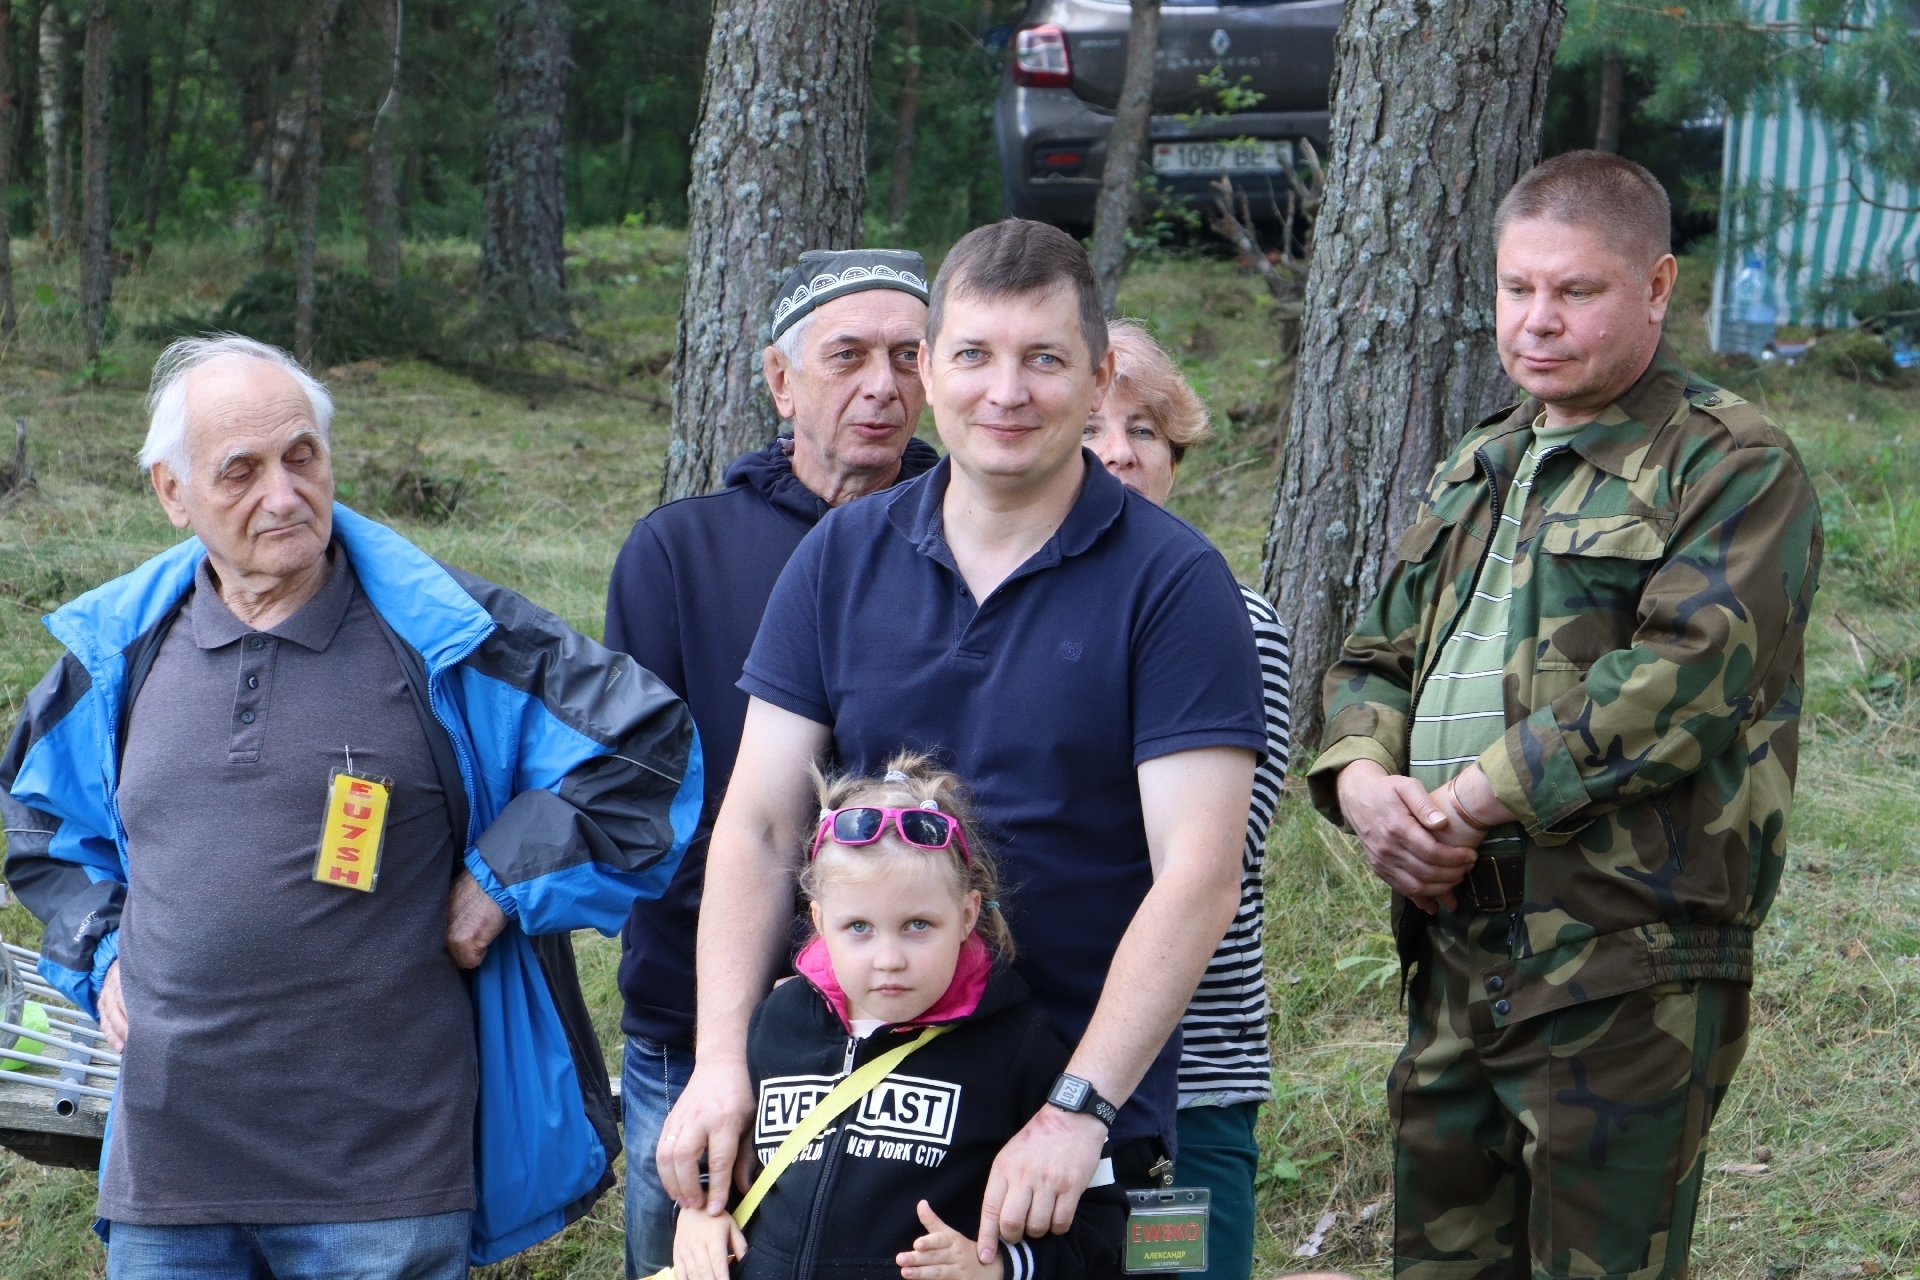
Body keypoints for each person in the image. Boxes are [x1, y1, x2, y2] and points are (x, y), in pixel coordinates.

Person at [0, 335, 702, 1278]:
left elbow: (648, 750)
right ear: (173, 492)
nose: (284, 495)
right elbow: (38, 819)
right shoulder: (117, 651)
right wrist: (101, 945)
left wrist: (502, 880)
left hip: (384, 1187)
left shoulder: (447, 631)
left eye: (302, 457)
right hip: (169, 1178)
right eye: (241, 471)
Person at [657, 218, 1267, 1270]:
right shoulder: (840, 557)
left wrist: (1079, 1105)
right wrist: (721, 1062)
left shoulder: (1175, 584)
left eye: (1045, 359)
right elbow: (758, 829)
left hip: (1067, 1120)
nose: (1007, 391)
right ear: (931, 370)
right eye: (975, 355)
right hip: (858, 1108)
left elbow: (1199, 875)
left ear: (1097, 376)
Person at [1307, 151, 1822, 1277]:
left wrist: (1470, 799)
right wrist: (1363, 785)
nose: (1536, 320)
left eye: (1576, 290)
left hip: (1622, 958)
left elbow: (1684, 676)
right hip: (1455, 943)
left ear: (1656, 286)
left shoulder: (1729, 462)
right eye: (1516, 287)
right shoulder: (1481, 461)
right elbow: (1374, 656)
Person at [605, 248, 938, 1278]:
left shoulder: (961, 544)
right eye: (848, 356)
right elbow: (637, 794)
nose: (882, 384)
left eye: (908, 356)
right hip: (699, 1018)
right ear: (781, 381)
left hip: (916, 1014)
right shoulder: (680, 553)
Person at [672, 756, 1126, 1280]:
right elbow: (719, 1157)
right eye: (858, 927)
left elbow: (1101, 1219)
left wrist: (999, 1268)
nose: (888, 959)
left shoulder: (1019, 1045)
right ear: (819, 919)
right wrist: (698, 1214)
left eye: (917, 925)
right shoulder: (776, 1023)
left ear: (967, 915)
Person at [1081, 321, 1291, 1280]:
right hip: (1023, 1057)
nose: (1119, 452)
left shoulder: (1238, 623)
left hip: (1189, 1076)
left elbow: (1213, 861)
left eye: (1145, 431)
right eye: (1093, 428)